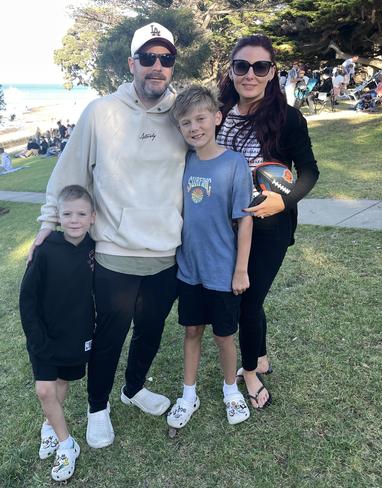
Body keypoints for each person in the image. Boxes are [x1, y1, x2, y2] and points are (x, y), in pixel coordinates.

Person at [27, 21, 187, 449]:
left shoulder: (181, 112)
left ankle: (133, 389)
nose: (157, 66)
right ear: (132, 63)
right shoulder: (100, 112)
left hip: (167, 253)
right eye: (149, 58)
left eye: (166, 59)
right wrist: (48, 223)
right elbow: (69, 173)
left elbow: (207, 153)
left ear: (172, 65)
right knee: (109, 337)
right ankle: (98, 407)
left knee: (151, 332)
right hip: (115, 254)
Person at [217, 34, 320, 409]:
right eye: (242, 66)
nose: (250, 74)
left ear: (272, 72)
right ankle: (257, 353)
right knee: (244, 297)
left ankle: (249, 372)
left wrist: (284, 201)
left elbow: (309, 171)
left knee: (248, 299)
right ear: (231, 71)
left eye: (260, 67)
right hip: (224, 226)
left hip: (269, 227)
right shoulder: (218, 114)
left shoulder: (287, 117)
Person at [165, 85, 253, 430]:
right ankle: (189, 394)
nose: (194, 128)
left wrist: (241, 269)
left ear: (217, 118)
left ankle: (231, 389)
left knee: (224, 335)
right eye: (185, 123)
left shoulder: (234, 164)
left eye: (200, 118)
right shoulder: (183, 163)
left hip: (223, 270)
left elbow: (244, 219)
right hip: (189, 270)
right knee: (191, 331)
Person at [19, 185, 96, 482]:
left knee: (62, 381)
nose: (74, 220)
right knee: (44, 389)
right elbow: (27, 298)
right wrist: (35, 336)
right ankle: (67, 444)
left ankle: (50, 426)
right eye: (67, 214)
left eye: (81, 214)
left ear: (92, 217)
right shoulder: (45, 249)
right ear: (57, 217)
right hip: (43, 334)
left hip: (77, 333)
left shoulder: (95, 247)